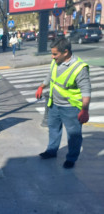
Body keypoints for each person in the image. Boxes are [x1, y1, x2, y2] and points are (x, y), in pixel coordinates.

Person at [35, 38, 91, 169]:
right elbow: (50, 75)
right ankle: (51, 151)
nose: (52, 56)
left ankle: (71, 158)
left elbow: (86, 90)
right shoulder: (56, 62)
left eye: (55, 54)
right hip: (54, 104)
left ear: (65, 52)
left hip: (70, 107)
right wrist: (42, 86)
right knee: (53, 129)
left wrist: (85, 110)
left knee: (74, 135)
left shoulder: (79, 68)